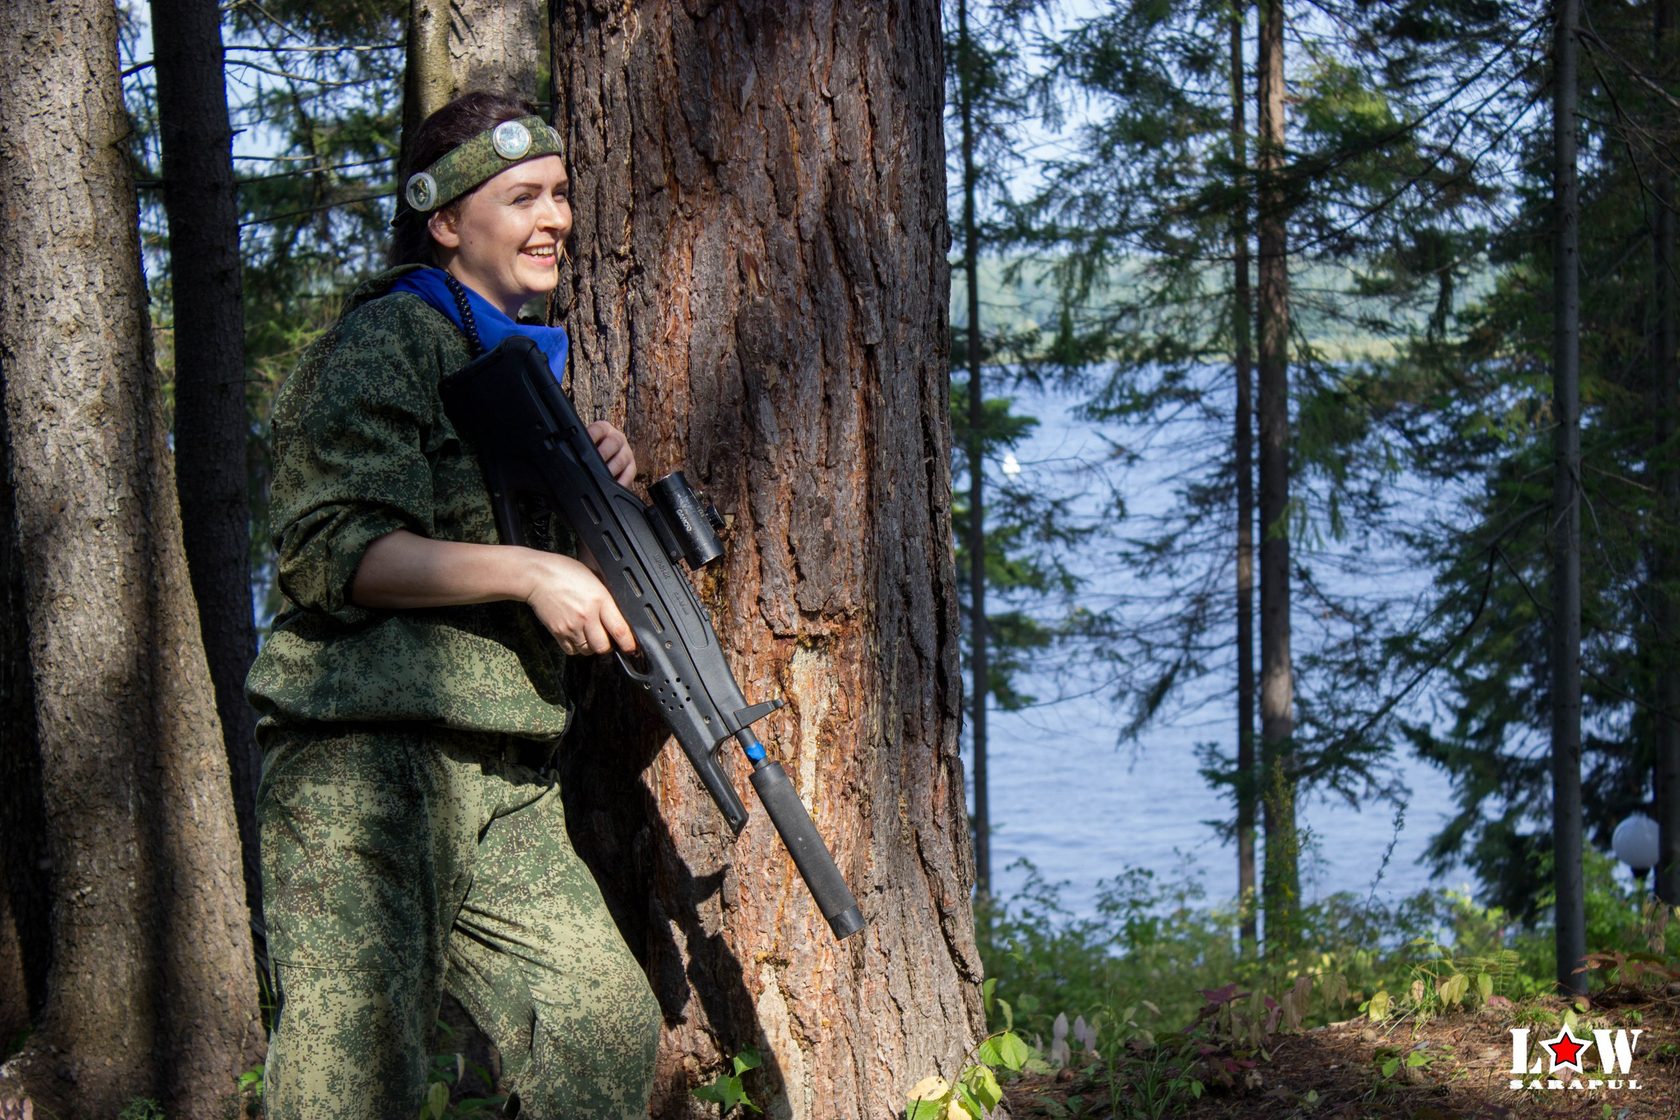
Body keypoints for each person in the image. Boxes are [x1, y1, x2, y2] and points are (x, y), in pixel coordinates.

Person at [246, 91, 661, 1120]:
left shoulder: (519, 365)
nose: (554, 217)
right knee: (351, 1083)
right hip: (364, 763)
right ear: (444, 222)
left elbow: (490, 518)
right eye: (521, 195)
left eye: (561, 193)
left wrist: (591, 476)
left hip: (504, 776)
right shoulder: (389, 339)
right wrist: (531, 572)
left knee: (600, 1028)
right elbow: (333, 552)